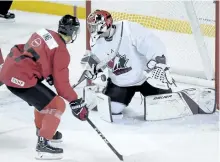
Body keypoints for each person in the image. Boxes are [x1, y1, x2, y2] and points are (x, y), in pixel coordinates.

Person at [0, 14, 89, 160]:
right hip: (21, 78)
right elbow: (62, 86)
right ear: (73, 32)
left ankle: (43, 130)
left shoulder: (43, 32)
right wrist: (75, 101)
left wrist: (47, 73)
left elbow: (35, 53)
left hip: (10, 69)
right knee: (57, 105)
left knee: (44, 100)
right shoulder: (62, 51)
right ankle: (43, 145)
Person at [84, 9, 175, 120]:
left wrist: (159, 62)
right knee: (112, 109)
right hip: (121, 83)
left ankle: (165, 93)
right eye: (91, 26)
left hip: (145, 78)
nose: (91, 30)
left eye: (94, 26)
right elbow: (97, 60)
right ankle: (104, 93)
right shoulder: (95, 41)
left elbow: (153, 43)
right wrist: (92, 69)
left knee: (164, 107)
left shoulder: (129, 29)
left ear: (105, 24)